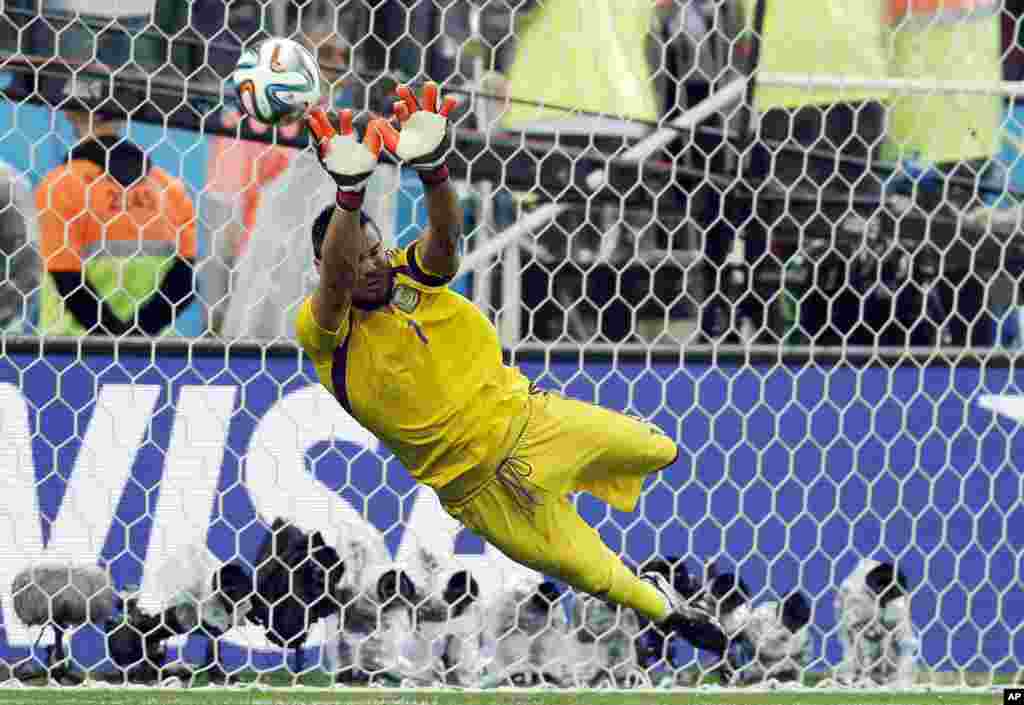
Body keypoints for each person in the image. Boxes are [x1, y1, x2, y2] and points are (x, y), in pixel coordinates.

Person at [294, 82, 709, 649]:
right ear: (323, 265)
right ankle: (662, 608)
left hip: (533, 422)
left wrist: (436, 172)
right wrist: (348, 194)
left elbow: (446, 240)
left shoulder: (411, 273)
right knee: (591, 573)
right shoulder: (325, 331)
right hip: (479, 491)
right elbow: (339, 279)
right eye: (353, 257)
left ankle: (651, 586)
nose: (368, 265)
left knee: (661, 451)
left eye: (374, 251)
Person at [35, 131, 196, 336]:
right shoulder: (169, 187)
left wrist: (112, 339)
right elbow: (186, 281)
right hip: (152, 353)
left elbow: (65, 277)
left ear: (67, 112)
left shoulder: (60, 185)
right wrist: (136, 337)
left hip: (68, 350)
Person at [834, 559, 919, 687]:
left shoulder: (897, 603)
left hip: (884, 604)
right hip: (853, 608)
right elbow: (848, 633)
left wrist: (903, 680)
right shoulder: (853, 596)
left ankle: (890, 678)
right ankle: (851, 677)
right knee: (855, 646)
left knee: (895, 655)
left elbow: (907, 643)